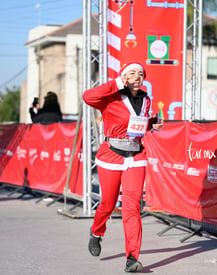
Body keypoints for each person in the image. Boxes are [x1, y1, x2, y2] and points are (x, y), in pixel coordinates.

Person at [83, 63, 164, 273]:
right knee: (108, 203)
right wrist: (118, 83)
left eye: (140, 74)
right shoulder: (111, 96)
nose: (137, 76)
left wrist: (152, 123)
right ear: (123, 77)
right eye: (132, 73)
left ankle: (132, 258)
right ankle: (96, 232)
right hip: (111, 154)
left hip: (136, 155)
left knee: (132, 208)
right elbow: (88, 97)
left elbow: (136, 125)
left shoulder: (146, 99)